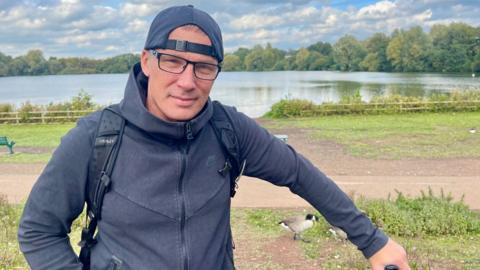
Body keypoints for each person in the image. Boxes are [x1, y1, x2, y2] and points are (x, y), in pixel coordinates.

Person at [18, 5, 410, 270]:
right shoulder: (97, 138)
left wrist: (372, 242)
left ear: (217, 73)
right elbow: (38, 229)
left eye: (203, 68)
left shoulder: (228, 129)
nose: (187, 82)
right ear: (146, 61)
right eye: (172, 62)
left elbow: (299, 173)